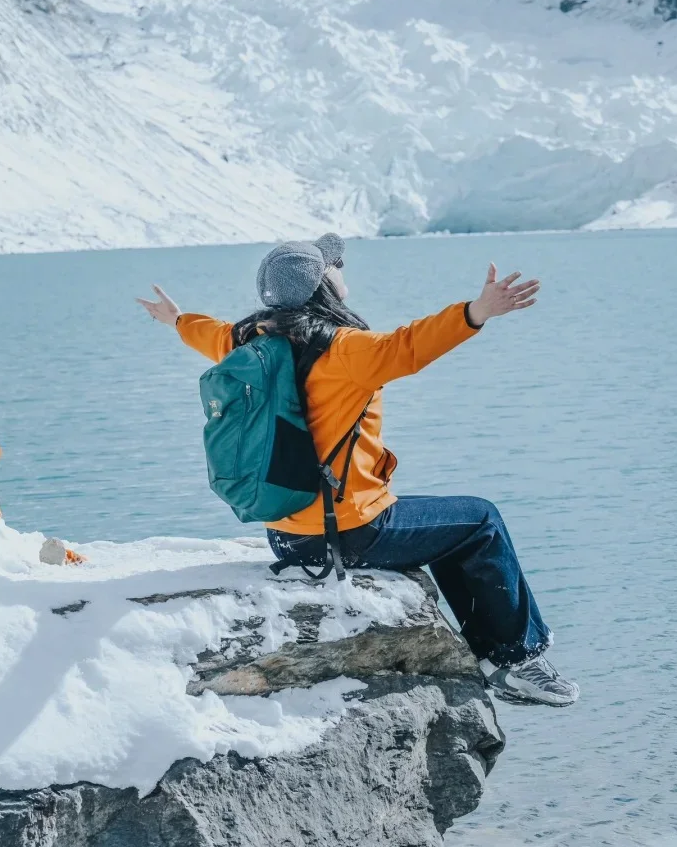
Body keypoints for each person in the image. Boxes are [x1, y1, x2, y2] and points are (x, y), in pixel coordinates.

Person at [137, 234, 578, 707]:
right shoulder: (345, 351)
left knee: (449, 524)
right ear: (322, 285)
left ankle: (485, 646)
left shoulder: (248, 343)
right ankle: (514, 660)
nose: (342, 269)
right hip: (348, 534)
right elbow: (411, 344)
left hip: (286, 535)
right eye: (336, 265)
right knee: (480, 520)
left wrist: (177, 319)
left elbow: (209, 332)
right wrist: (477, 311)